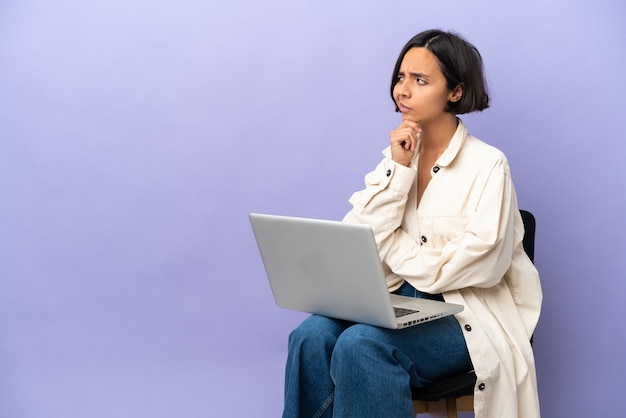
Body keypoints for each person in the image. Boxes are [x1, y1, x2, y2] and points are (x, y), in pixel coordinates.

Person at [283, 29, 542, 418]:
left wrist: (395, 248)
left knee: (361, 345)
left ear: (455, 91)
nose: (402, 91)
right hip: (397, 303)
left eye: (420, 80)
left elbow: (482, 264)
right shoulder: (397, 157)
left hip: (464, 318)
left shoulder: (488, 165)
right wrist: (398, 171)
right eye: (401, 77)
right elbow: (357, 240)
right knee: (309, 337)